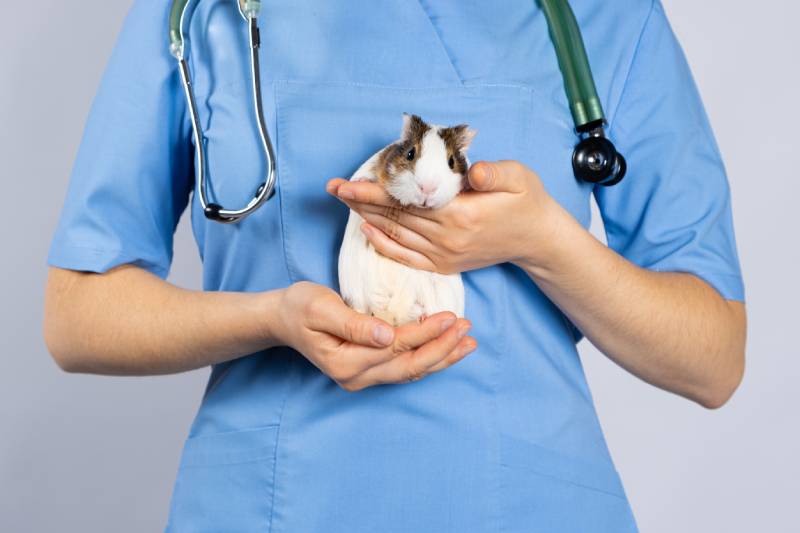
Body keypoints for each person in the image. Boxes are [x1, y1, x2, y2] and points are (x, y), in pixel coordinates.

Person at [43, 0, 746, 531]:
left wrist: (542, 240)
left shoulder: (603, 16)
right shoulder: (204, 13)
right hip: (266, 504)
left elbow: (712, 356)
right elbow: (78, 315)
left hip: (528, 507)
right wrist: (270, 318)